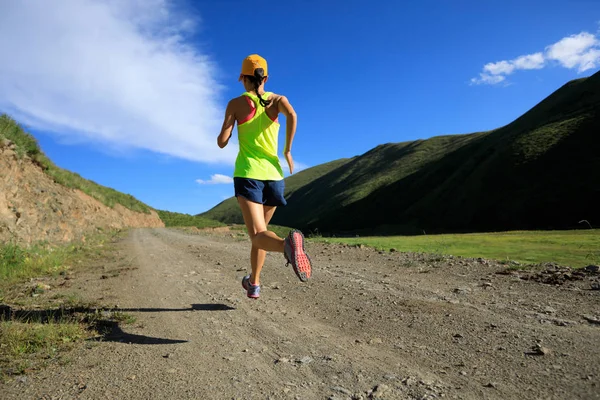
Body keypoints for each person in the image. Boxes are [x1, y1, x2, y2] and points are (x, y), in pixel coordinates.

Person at [217, 54, 312, 299]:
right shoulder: (278, 100)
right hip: (274, 177)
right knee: (261, 234)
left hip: (249, 175)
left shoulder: (235, 103)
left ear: (243, 79)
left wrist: (231, 123)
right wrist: (287, 150)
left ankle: (286, 247)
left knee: (259, 234)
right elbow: (292, 115)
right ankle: (254, 282)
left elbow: (222, 141)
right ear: (265, 78)